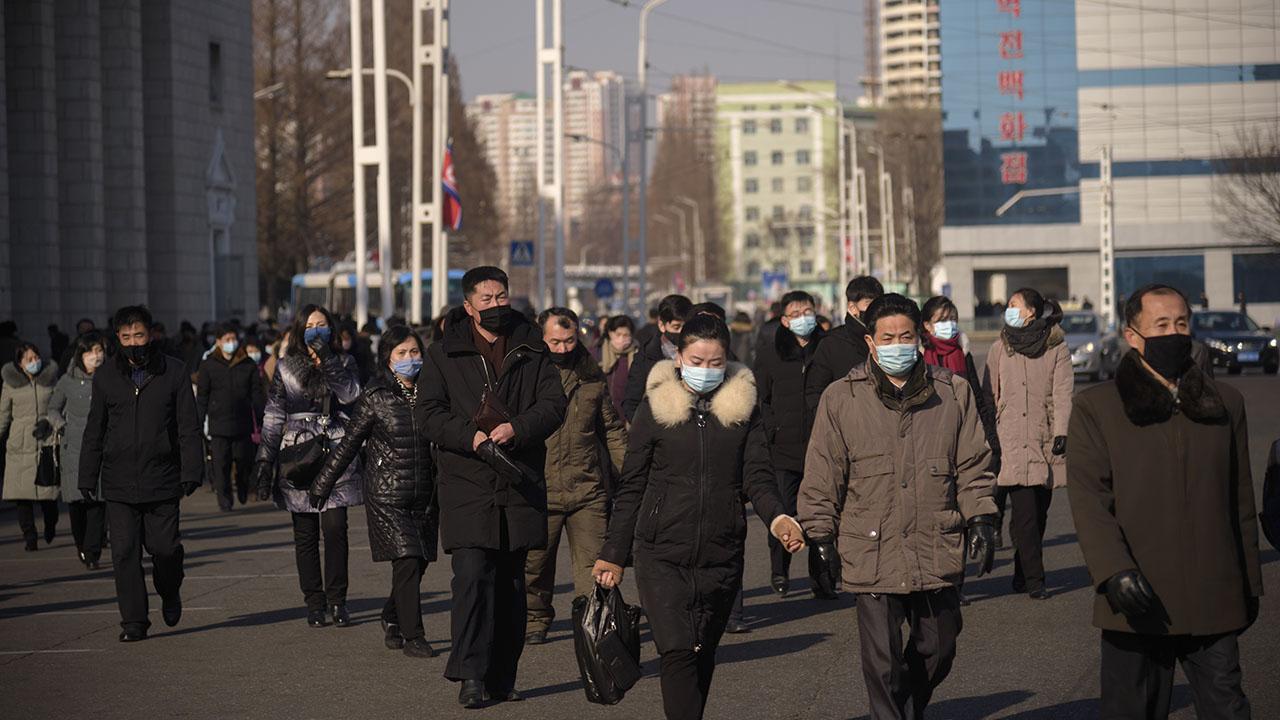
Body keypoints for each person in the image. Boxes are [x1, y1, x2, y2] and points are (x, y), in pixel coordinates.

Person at [593, 314, 804, 720]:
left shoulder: (744, 410)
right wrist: (613, 553)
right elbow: (632, 485)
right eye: (696, 360)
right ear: (679, 358)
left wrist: (778, 518)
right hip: (661, 552)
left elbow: (758, 475)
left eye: (715, 362)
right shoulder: (655, 409)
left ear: (728, 360)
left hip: (721, 550)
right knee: (676, 650)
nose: (705, 370)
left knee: (702, 649)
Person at [798, 293, 998, 720]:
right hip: (870, 545)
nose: (897, 344)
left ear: (920, 337)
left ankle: (906, 708)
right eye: (887, 337)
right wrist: (820, 538)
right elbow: (822, 474)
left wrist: (981, 516)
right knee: (883, 664)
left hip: (935, 542)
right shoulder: (841, 399)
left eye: (905, 335)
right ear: (870, 342)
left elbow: (973, 464)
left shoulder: (953, 393)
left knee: (939, 647)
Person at [1068, 284, 1262, 719]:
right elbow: (1089, 501)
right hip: (1137, 601)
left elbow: (1241, 500)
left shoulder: (1225, 403)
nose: (1174, 333)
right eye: (1161, 325)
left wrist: (1250, 583)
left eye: (1180, 323)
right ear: (1132, 334)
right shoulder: (1098, 408)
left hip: (1214, 595)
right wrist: (1113, 571)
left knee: (1228, 708)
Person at [417, 266, 567, 708]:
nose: (497, 305)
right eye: (487, 298)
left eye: (502, 296)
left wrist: (516, 429)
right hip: (467, 483)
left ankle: (503, 676)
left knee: (511, 585)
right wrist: (471, 436)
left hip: (519, 481)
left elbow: (553, 405)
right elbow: (428, 413)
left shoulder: (532, 344)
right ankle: (470, 675)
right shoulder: (445, 352)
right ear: (468, 306)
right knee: (471, 579)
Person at [312, 325, 438, 659]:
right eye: (401, 354)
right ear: (388, 359)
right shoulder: (376, 395)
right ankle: (414, 636)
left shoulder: (433, 392)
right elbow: (350, 443)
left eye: (414, 352)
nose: (410, 359)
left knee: (420, 562)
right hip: (388, 493)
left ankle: (392, 615)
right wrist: (323, 484)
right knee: (408, 560)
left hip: (425, 493)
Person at [80, 305, 203, 642]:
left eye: (139, 335)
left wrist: (192, 469)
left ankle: (170, 590)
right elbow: (95, 429)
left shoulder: (173, 372)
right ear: (117, 339)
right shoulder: (106, 377)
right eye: (125, 337)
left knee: (164, 549)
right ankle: (133, 621)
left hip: (162, 478)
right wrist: (87, 476)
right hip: (118, 480)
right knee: (124, 552)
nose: (133, 342)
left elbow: (188, 427)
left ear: (151, 335)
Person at [253, 304, 364, 629]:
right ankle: (314, 603)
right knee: (304, 533)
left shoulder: (345, 362)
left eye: (323, 325)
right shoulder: (286, 367)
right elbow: (273, 416)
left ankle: (337, 600)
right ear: (300, 330)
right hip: (298, 452)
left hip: (337, 450)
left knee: (335, 528)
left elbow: (351, 396)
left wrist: (329, 360)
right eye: (311, 326)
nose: (317, 330)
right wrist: (264, 460)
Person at [524, 307, 627, 646]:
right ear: (541, 339)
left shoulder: (591, 379)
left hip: (588, 490)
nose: (564, 348)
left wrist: (630, 475)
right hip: (540, 491)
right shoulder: (527, 376)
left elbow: (612, 431)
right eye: (555, 341)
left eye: (569, 340)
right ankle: (535, 618)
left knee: (594, 567)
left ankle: (592, 622)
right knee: (534, 568)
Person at [982, 287, 1072, 600]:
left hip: (1044, 439)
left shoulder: (1056, 346)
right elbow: (989, 396)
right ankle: (1036, 581)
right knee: (1025, 515)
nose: (1008, 309)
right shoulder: (999, 347)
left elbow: (1062, 392)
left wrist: (1062, 431)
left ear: (1031, 311)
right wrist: (991, 437)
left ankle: (1022, 573)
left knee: (1039, 515)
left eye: (1014, 304)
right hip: (1011, 441)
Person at [753, 290, 828, 602]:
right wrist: (772, 430)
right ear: (784, 320)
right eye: (796, 314)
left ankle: (822, 578)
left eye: (807, 311)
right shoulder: (772, 354)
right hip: (783, 449)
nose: (803, 318)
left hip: (821, 447)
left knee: (821, 515)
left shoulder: (825, 351)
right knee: (783, 510)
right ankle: (780, 570)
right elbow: (762, 399)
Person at [49, 331, 108, 568]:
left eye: (100, 351)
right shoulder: (66, 381)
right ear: (81, 354)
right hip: (73, 447)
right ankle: (81, 545)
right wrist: (62, 426)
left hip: (101, 447)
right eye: (92, 352)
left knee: (97, 502)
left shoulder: (110, 379)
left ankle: (92, 551)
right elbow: (53, 409)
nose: (97, 356)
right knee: (76, 504)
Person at [197, 323, 266, 511]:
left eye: (233, 339)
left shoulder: (248, 364)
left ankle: (243, 485)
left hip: (242, 423)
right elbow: (202, 396)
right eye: (226, 340)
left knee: (243, 461)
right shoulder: (208, 365)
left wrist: (261, 418)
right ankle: (224, 499)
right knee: (221, 465)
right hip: (218, 424)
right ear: (218, 342)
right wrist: (198, 420)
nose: (231, 343)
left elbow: (256, 394)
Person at [1, 342, 61, 551]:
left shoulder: (50, 379)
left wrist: (53, 424)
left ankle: (51, 525)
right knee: (21, 495)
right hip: (20, 442)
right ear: (19, 363)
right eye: (29, 359)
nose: (34, 362)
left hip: (46, 439)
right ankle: (29, 536)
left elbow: (59, 406)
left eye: (36, 357)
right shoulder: (10, 384)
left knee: (49, 493)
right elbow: (4, 414)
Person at [804, 276, 883, 418]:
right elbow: (815, 393)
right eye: (869, 303)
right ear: (852, 308)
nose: (876, 309)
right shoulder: (831, 343)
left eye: (879, 303)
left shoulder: (886, 340)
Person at [622, 294, 692, 423]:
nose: (682, 332)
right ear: (662, 325)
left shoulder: (699, 353)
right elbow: (631, 403)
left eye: (686, 327)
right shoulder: (645, 357)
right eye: (676, 327)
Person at [598, 315, 636, 419]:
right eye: (618, 334)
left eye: (626, 335)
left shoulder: (638, 356)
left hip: (626, 417)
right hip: (601, 416)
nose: (622, 339)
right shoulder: (597, 354)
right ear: (610, 333)